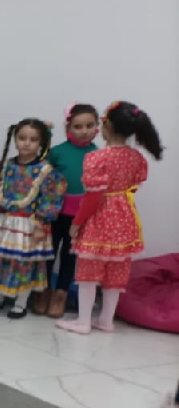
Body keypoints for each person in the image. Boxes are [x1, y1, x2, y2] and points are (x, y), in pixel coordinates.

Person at [57, 101, 165, 336]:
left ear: (106, 126)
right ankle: (106, 320)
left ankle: (84, 321)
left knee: (89, 271)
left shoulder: (97, 158)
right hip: (125, 218)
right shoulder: (136, 158)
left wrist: (77, 223)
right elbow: (134, 186)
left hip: (100, 219)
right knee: (116, 271)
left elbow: (92, 198)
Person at [0, 119, 67, 319]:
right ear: (15, 139)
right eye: (22, 138)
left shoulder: (45, 171)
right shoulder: (5, 166)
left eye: (33, 140)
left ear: (41, 143)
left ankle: (20, 303)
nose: (26, 143)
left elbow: (51, 198)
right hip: (2, 222)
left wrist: (42, 222)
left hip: (28, 225)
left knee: (23, 264)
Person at [37, 104, 99, 318]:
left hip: (80, 217)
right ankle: (43, 290)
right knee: (48, 253)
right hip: (55, 213)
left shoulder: (98, 154)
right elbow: (43, 176)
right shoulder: (57, 152)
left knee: (69, 256)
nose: (84, 131)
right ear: (68, 128)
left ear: (97, 126)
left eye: (89, 125)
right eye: (78, 126)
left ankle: (61, 294)